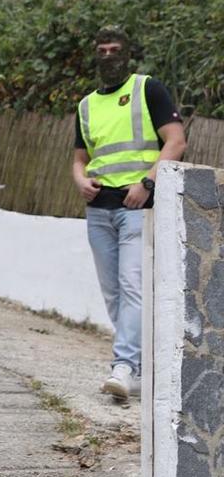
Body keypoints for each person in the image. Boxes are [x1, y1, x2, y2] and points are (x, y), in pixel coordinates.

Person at [72, 26, 186, 400]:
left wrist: (147, 183)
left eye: (114, 49)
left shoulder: (147, 89)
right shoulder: (86, 105)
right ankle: (137, 369)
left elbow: (176, 141)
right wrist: (80, 180)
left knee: (133, 286)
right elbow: (79, 159)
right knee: (113, 294)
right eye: (102, 49)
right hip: (98, 210)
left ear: (127, 54)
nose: (108, 55)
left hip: (137, 206)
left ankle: (122, 366)